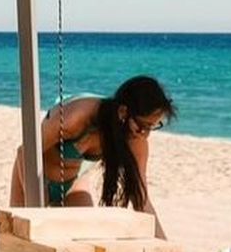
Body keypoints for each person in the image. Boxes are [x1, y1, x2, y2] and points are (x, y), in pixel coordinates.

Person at [9, 76, 174, 223]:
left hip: (73, 186)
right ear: (123, 112)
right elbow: (25, 153)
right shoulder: (76, 117)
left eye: (153, 126)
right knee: (16, 237)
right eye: (143, 125)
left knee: (85, 237)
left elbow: (141, 198)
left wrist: (167, 245)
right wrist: (37, 208)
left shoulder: (136, 139)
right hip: (33, 177)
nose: (145, 134)